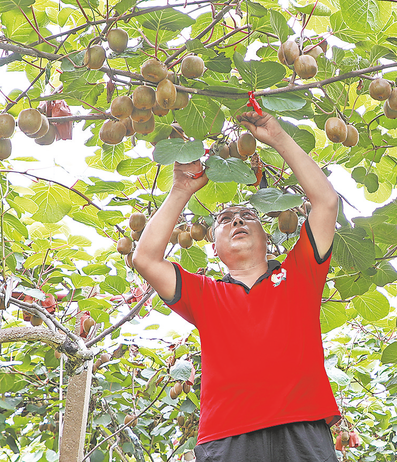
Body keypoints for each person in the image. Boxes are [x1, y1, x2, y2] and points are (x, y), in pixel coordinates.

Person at [133, 111, 341, 461]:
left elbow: (326, 202)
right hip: (227, 435)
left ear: (266, 237)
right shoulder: (206, 294)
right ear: (214, 247)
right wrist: (181, 189)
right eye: (225, 220)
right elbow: (146, 259)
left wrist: (277, 136)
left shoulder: (299, 275)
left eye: (248, 216)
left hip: (302, 425)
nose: (238, 220)